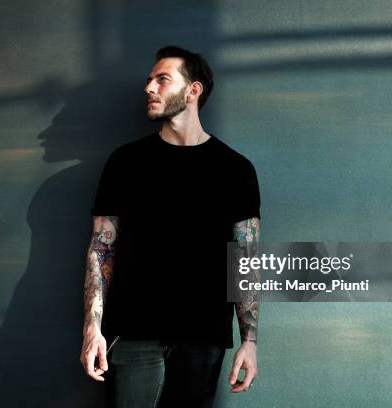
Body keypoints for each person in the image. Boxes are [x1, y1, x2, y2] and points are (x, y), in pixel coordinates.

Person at [80, 45, 261, 407]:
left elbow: (245, 259)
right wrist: (92, 327)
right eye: (149, 80)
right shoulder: (125, 163)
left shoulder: (235, 170)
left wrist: (250, 341)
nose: (149, 88)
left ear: (193, 91)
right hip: (132, 334)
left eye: (162, 79)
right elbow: (102, 250)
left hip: (203, 336)